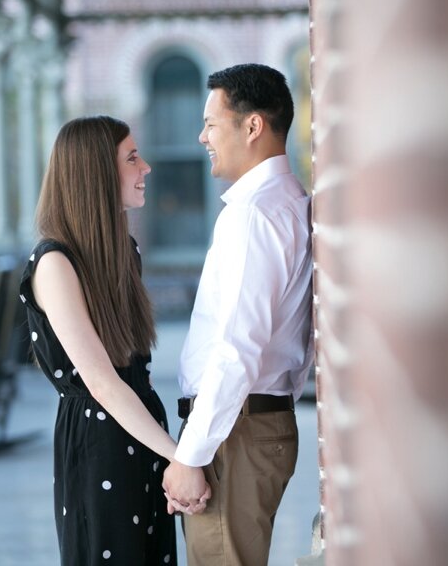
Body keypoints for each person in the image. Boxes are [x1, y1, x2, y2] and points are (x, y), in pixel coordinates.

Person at [19, 115, 209, 565]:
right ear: (96, 173)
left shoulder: (125, 251)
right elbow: (102, 384)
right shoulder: (55, 264)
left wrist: (170, 455)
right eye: (131, 158)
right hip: (98, 445)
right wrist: (182, 458)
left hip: (142, 428)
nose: (146, 168)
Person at [162, 64, 314, 565]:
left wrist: (191, 455)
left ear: (252, 127)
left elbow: (238, 346)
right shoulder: (285, 202)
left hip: (235, 433)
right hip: (249, 425)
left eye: (211, 122)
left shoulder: (255, 213)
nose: (201, 135)